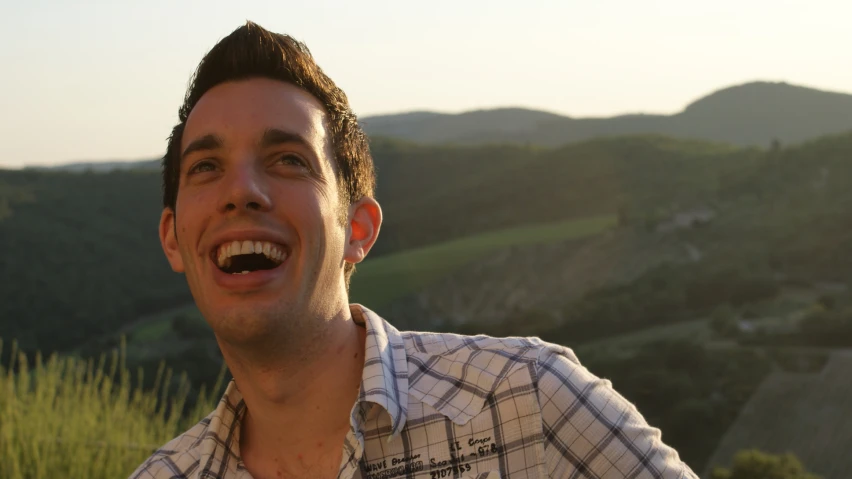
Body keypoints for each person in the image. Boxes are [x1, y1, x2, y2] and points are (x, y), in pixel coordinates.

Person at [131, 21, 698, 479]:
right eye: (206, 167)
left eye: (288, 160)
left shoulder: (528, 404)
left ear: (358, 229)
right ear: (172, 238)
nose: (241, 193)